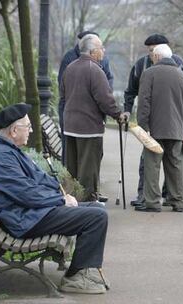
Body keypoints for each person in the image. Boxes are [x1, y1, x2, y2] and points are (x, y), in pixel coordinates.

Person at [0, 103, 109, 294]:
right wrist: (61, 201)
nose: (30, 131)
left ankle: (82, 272)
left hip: (31, 213)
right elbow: (26, 194)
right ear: (14, 130)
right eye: (28, 126)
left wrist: (62, 193)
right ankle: (73, 278)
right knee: (96, 218)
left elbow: (37, 179)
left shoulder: (7, 150)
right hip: (25, 220)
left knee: (98, 208)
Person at [123, 33, 183, 207]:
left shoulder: (168, 68)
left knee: (156, 163)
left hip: (160, 125)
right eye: (149, 51)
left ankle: (159, 199)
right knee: (164, 163)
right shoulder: (142, 66)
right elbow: (131, 92)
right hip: (172, 126)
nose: (151, 55)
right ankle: (165, 199)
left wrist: (144, 127)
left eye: (153, 51)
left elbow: (145, 102)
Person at [61, 34, 125, 201]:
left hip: (70, 126)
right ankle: (88, 203)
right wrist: (118, 115)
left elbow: (63, 95)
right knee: (88, 171)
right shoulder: (94, 70)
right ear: (93, 51)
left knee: (73, 169)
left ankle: (72, 201)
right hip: (88, 127)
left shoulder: (70, 67)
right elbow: (105, 99)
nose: (103, 51)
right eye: (101, 48)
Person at [135, 44, 183, 212]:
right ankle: (178, 201)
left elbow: (144, 103)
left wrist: (143, 126)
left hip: (154, 130)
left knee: (152, 167)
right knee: (175, 166)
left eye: (152, 56)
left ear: (157, 57)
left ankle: (153, 203)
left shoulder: (149, 74)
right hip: (176, 131)